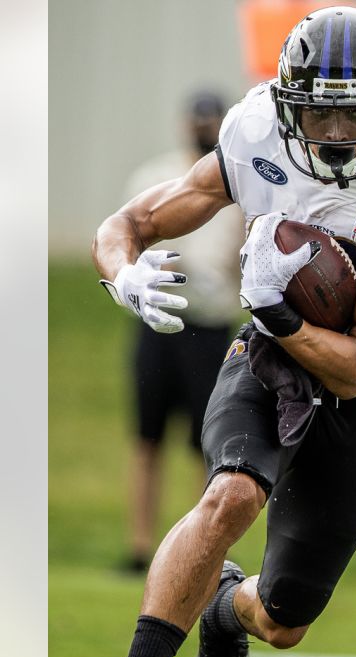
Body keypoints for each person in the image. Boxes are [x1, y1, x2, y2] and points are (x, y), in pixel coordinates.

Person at [91, 7, 356, 657]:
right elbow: (131, 224)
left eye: (354, 117)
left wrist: (276, 306)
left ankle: (224, 614)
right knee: (230, 497)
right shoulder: (253, 133)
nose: (335, 136)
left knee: (284, 619)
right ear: (286, 106)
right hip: (270, 354)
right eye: (317, 115)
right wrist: (123, 274)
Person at [119, 92, 245, 573]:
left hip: (210, 327)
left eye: (212, 121)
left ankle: (204, 546)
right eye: (198, 120)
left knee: (207, 442)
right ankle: (139, 546)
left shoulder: (240, 186)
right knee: (147, 435)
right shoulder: (157, 177)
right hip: (157, 324)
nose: (203, 127)